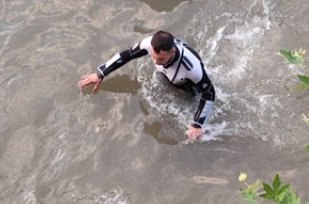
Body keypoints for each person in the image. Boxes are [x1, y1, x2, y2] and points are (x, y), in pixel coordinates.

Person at [78, 30, 215, 141]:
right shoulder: (149, 43)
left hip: (187, 85)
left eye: (160, 58)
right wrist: (100, 74)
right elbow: (126, 55)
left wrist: (197, 124)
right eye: (153, 56)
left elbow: (209, 93)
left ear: (172, 51)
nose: (155, 61)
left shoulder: (191, 68)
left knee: (189, 100)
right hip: (169, 75)